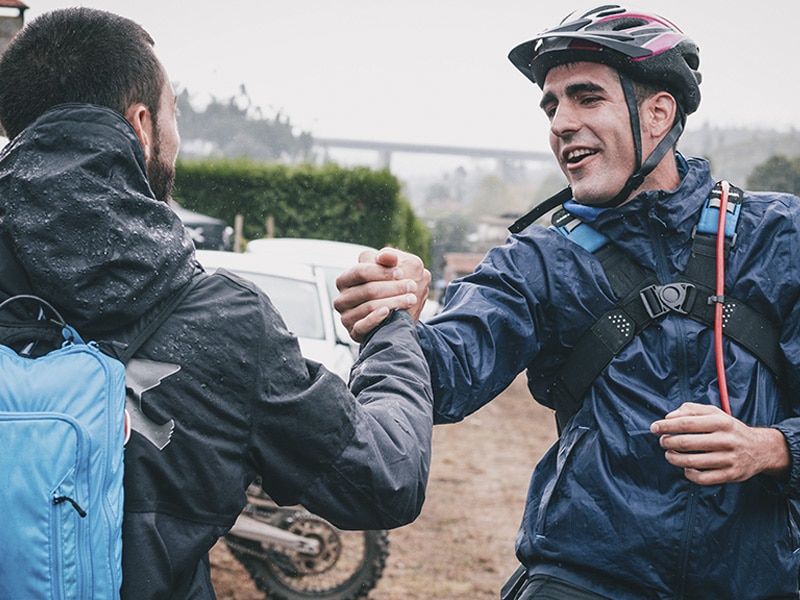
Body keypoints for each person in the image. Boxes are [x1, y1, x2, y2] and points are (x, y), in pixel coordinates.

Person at [335, 5, 800, 599]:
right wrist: (394, 315)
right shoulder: (541, 258)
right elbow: (443, 376)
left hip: (756, 580)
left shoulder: (778, 235)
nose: (560, 122)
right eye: (551, 105)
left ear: (658, 113)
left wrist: (773, 447)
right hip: (585, 577)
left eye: (586, 98)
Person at [0, 8, 433, 599]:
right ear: (143, 125)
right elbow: (386, 478)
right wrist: (394, 328)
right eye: (175, 115)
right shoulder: (224, 320)